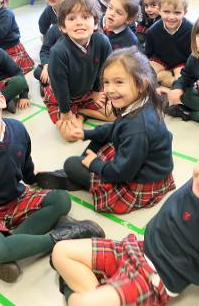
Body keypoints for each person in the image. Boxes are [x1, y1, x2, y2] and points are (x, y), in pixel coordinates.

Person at [51, 118, 199, 306]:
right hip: (135, 249)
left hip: (152, 279)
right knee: (60, 251)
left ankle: (87, 291)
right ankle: (104, 292)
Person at [0, 74, 105, 282]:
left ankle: (13, 248)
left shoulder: (17, 128)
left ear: (1, 101)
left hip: (16, 197)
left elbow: (24, 160)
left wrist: (31, 177)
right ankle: (61, 237)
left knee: (61, 199)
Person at [37, 48, 175, 214]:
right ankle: (81, 173)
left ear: (142, 84)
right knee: (101, 137)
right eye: (106, 82)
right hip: (144, 167)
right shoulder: (142, 102)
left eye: (119, 82)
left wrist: (95, 164)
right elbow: (115, 128)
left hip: (140, 183)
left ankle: (79, 176)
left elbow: (120, 173)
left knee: (71, 164)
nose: (109, 89)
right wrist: (87, 133)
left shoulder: (137, 128)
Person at [44, 0, 114, 141]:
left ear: (95, 23)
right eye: (71, 18)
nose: (79, 22)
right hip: (63, 98)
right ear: (63, 27)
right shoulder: (59, 52)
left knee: (114, 115)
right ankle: (77, 113)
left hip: (88, 92)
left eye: (85, 17)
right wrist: (65, 111)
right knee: (71, 136)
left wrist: (96, 92)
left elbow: (103, 70)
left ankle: (81, 112)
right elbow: (59, 86)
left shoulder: (102, 41)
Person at [144, 0, 193, 89]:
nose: (171, 17)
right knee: (148, 76)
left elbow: (194, 55)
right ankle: (167, 78)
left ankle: (167, 80)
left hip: (181, 62)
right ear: (159, 10)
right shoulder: (152, 31)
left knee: (182, 81)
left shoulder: (191, 30)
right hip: (160, 61)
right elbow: (148, 54)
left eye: (177, 13)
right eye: (166, 12)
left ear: (185, 12)